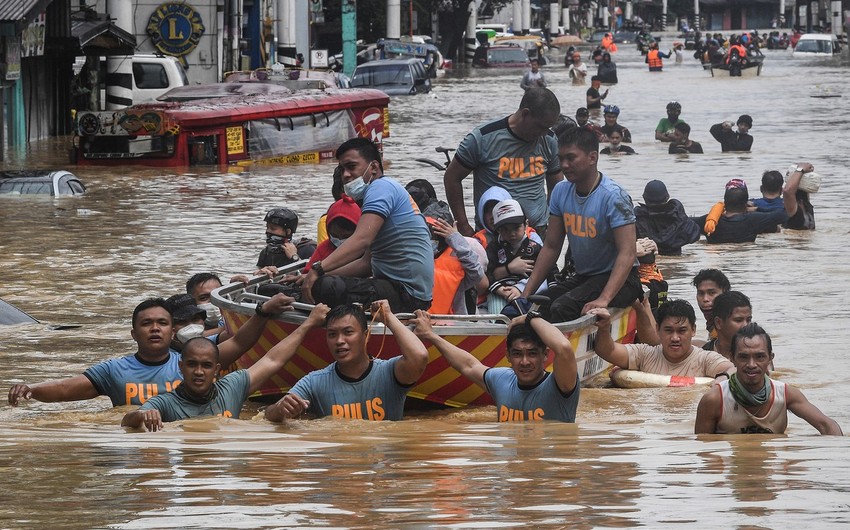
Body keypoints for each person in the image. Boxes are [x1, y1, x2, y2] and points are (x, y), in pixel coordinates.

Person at [8, 295, 294, 407]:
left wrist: (262, 311)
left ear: (172, 331)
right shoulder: (114, 370)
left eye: (162, 323)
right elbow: (64, 389)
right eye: (146, 324)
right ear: (134, 333)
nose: (155, 329)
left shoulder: (193, 364)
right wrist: (30, 389)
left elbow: (241, 343)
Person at [121, 303, 328, 430]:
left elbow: (272, 360)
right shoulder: (165, 403)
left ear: (217, 369)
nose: (199, 372)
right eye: (192, 365)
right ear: (181, 367)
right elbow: (126, 422)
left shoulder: (232, 387)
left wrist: (308, 324)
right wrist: (141, 415)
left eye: (206, 366)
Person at [519, 126, 642, 323]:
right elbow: (551, 247)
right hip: (585, 277)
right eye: (561, 159)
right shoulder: (560, 191)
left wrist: (604, 299)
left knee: (562, 307)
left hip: (624, 280)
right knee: (539, 304)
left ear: (592, 157)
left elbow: (627, 253)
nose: (564, 165)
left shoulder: (614, 196)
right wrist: (525, 295)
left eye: (571, 158)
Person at [298, 138, 434, 313]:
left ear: (374, 167)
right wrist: (313, 275)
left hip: (407, 295)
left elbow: (361, 240)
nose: (346, 175)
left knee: (327, 287)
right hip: (400, 289)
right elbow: (365, 264)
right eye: (342, 169)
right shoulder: (380, 192)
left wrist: (317, 270)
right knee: (316, 282)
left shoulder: (381, 188)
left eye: (351, 167)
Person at [264, 300, 429, 421]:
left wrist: (389, 317)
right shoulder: (315, 381)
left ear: (366, 336)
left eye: (348, 332)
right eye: (332, 334)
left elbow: (419, 356)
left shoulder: (389, 372)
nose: (339, 341)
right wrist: (280, 409)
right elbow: (267, 416)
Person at [411, 309, 580, 422]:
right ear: (508, 356)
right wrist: (430, 335)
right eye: (517, 354)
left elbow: (564, 347)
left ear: (546, 355)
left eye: (532, 353)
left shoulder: (561, 385)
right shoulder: (502, 380)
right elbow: (468, 365)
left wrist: (530, 317)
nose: (525, 361)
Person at [443, 88, 563, 239]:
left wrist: (553, 224)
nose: (544, 133)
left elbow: (557, 186)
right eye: (541, 127)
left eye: (548, 128)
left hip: (537, 232)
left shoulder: (550, 141)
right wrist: (463, 226)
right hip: (493, 234)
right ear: (525, 114)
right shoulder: (482, 138)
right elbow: (452, 178)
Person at [695, 323, 843, 435]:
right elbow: (704, 449)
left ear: (770, 358)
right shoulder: (714, 399)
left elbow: (827, 426)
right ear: (732, 358)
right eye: (744, 357)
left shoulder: (786, 394)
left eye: (759, 357)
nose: (752, 364)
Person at [590, 300, 734, 378]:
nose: (675, 338)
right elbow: (608, 351)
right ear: (658, 329)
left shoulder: (705, 360)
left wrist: (721, 381)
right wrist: (604, 328)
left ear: (693, 330)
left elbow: (732, 370)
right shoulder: (645, 354)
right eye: (668, 330)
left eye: (682, 331)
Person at [485, 199, 556, 316]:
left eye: (516, 227)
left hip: (529, 289)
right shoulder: (493, 248)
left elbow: (551, 270)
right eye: (505, 229)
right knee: (498, 317)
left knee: (535, 312)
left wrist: (554, 292)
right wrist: (499, 290)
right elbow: (486, 273)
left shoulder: (535, 247)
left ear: (526, 224)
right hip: (500, 291)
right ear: (497, 229)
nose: (512, 233)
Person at [694, 171, 805, 243]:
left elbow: (687, 222)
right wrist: (757, 209)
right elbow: (785, 213)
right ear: (745, 203)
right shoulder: (754, 220)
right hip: (746, 261)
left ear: (725, 202)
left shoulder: (708, 221)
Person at [426, 211, 486, 315]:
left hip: (454, 321)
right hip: (421, 320)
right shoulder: (413, 261)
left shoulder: (459, 260)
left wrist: (455, 238)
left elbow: (477, 273)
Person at [634, 180, 700, 255]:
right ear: (667, 197)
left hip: (651, 259)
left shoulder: (637, 218)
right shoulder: (679, 216)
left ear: (644, 198)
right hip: (677, 259)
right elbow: (695, 234)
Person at [304, 195, 361, 272]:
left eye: (346, 236)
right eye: (335, 235)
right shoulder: (323, 249)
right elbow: (307, 273)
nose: (340, 240)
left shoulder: (365, 249)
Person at [702, 291, 752, 359]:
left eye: (748, 320)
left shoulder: (758, 353)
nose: (745, 325)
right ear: (718, 323)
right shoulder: (702, 358)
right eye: (738, 320)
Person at [692, 269, 731, 339]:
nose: (705, 299)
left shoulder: (730, 327)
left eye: (712, 293)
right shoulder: (713, 325)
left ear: (725, 294)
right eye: (701, 293)